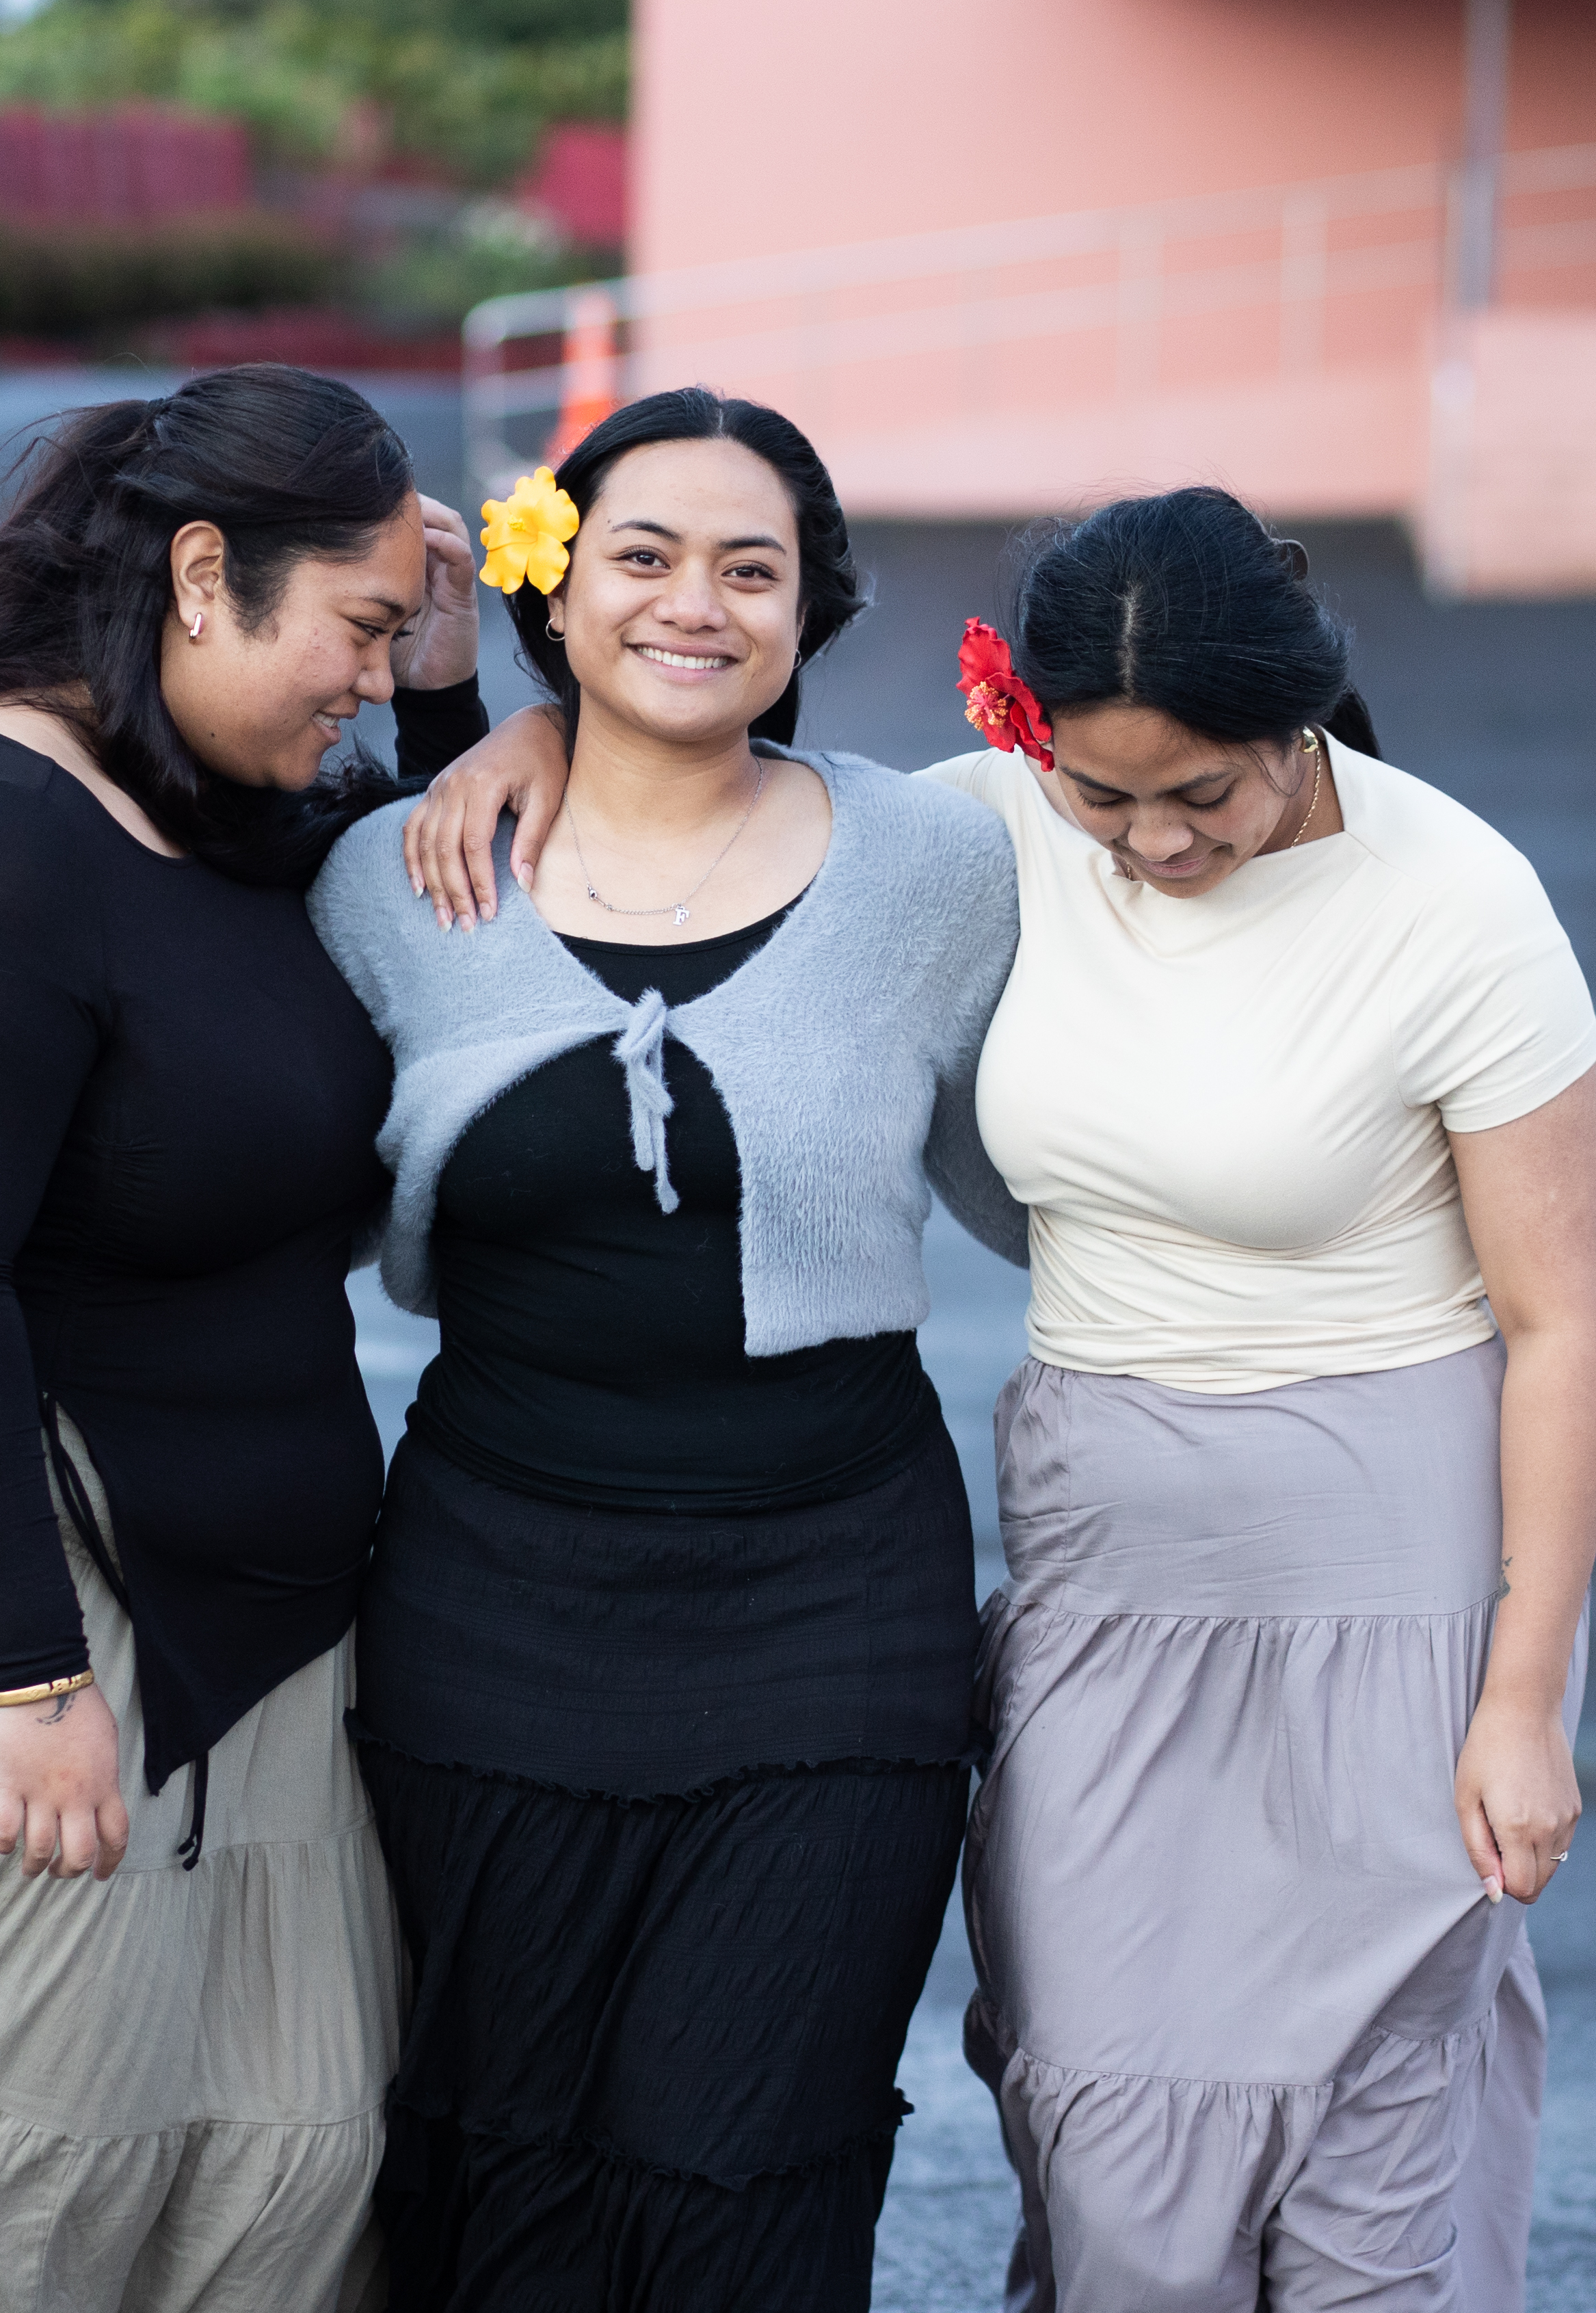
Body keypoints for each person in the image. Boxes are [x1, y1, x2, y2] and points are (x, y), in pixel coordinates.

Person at [402, 485, 1596, 2309]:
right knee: (1108, 2143)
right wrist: (519, 732)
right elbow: (711, 810)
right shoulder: (976, 832)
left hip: (1399, 1571)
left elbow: (1565, 1324)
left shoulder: (1458, 904)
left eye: (1202, 794)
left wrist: (1521, 1701)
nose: (1151, 842)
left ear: (1297, 722)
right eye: (1102, 794)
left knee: (1376, 2154)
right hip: (1108, 1558)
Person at [0, 365, 492, 2313]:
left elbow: (460, 909)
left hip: (264, 1600)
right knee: (1, 2183)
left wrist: (463, 695)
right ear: (205, 577)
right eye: (362, 630)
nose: (374, 683)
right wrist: (31, 1673)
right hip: (9, 1574)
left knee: (278, 2180)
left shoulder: (228, 810)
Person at [305, 386, 1024, 2307]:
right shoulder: (400, 886)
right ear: (559, 587)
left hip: (829, 1620)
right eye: (642, 555)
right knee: (494, 2146)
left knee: (746, 2156)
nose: (693, 602)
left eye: (750, 567)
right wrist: (476, 733)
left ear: (811, 610)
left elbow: (1179, 913)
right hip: (492, 1609)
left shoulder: (939, 870)